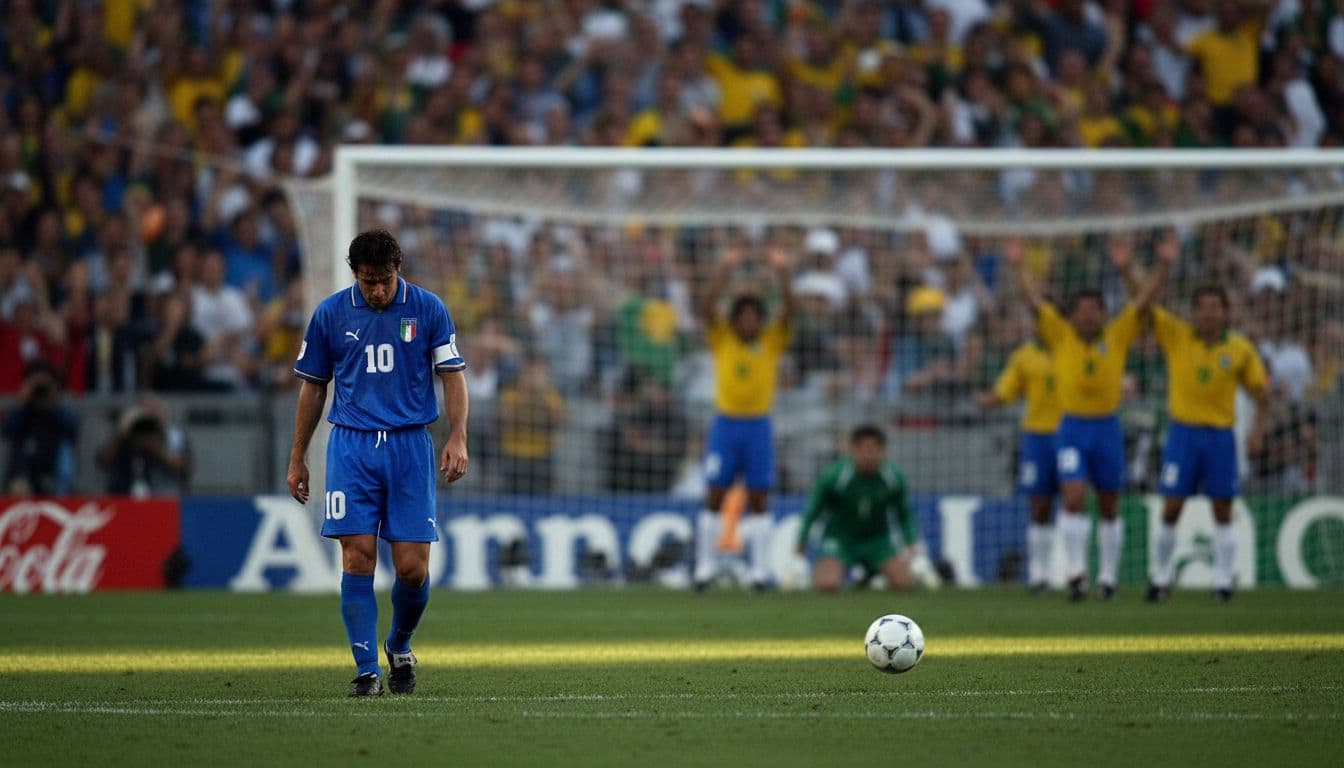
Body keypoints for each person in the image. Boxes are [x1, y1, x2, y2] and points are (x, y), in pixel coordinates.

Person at [287, 230, 469, 697]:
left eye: (385, 280)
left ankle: (399, 645)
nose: (378, 290)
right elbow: (313, 387)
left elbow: (452, 375)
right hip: (352, 447)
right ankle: (366, 670)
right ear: (355, 274)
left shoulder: (427, 308)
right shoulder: (330, 314)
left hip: (410, 447)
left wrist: (458, 436)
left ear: (398, 268)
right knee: (357, 556)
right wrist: (298, 456)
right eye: (368, 282)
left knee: (412, 569)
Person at [1006, 235, 1172, 601]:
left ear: (1104, 313)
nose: (1088, 315)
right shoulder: (1060, 335)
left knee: (1110, 503)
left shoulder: (1117, 333)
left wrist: (1156, 267)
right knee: (1074, 495)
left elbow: (1144, 302)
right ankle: (1076, 572)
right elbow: (1033, 302)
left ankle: (1108, 577)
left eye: (1094, 309)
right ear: (1072, 315)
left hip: (1107, 426)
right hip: (1071, 428)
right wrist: (1018, 267)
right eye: (1081, 309)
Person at [1146, 285, 1269, 603]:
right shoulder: (1177, 336)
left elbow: (1261, 394)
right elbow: (1145, 306)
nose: (1209, 313)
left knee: (1223, 508)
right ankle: (1161, 578)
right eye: (1202, 307)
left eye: (1215, 306)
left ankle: (1224, 582)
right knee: (1171, 506)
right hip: (1182, 434)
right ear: (1194, 312)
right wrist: (1130, 269)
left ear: (1226, 312)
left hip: (1220, 436)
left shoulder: (1240, 348)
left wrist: (1257, 431)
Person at [694, 244, 793, 590]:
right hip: (725, 424)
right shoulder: (722, 337)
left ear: (759, 319)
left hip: (758, 426)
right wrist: (724, 269)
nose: (748, 320)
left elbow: (790, 309)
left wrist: (782, 274)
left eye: (754, 315)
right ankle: (704, 567)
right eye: (743, 315)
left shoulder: (771, 339)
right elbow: (706, 306)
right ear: (735, 318)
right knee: (714, 493)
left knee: (759, 497)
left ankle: (759, 570)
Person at [977, 319, 1062, 594]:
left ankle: (1075, 570)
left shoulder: (1075, 348)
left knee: (1075, 500)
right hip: (1036, 436)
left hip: (1072, 432)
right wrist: (985, 399)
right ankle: (1040, 574)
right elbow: (1004, 392)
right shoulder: (1024, 356)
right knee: (1039, 505)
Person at [794, 425, 919, 592]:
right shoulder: (835, 475)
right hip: (840, 539)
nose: (868, 456)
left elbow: (903, 515)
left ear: (883, 451)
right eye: (863, 450)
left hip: (878, 541)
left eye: (873, 450)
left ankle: (871, 574)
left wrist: (911, 541)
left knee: (905, 583)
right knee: (826, 584)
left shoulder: (893, 477)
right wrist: (801, 540)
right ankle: (865, 575)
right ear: (853, 451)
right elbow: (812, 511)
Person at [2, 361, 78, 496]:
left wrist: (52, 402)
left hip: (53, 474)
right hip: (24, 475)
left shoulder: (59, 409)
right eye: (36, 384)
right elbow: (6, 431)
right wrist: (23, 403)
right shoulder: (23, 410)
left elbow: (72, 429)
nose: (40, 389)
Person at [98, 396, 192, 496]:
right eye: (143, 413)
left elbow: (184, 467)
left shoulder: (173, 435)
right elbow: (103, 461)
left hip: (164, 496)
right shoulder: (123, 433)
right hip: (124, 494)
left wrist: (157, 445)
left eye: (151, 414)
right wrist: (123, 433)